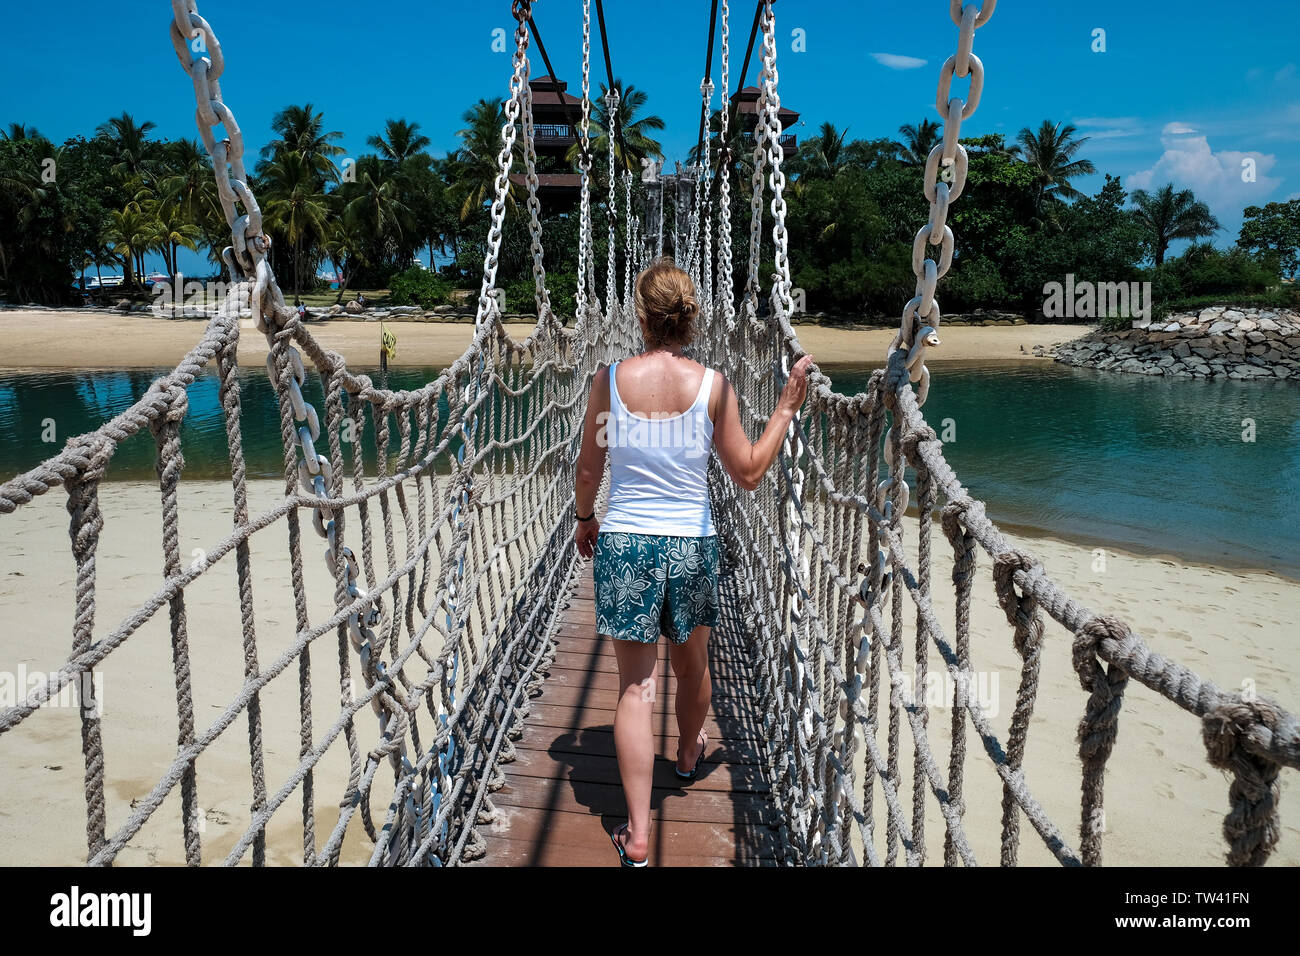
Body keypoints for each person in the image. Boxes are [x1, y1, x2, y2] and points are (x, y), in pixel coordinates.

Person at [572, 257, 813, 866]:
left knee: (635, 687)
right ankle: (685, 756)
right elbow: (750, 471)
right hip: (689, 544)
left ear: (641, 315)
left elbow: (588, 468)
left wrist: (584, 518)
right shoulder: (715, 385)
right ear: (692, 317)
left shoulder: (608, 379)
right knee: (692, 665)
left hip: (624, 541)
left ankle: (639, 834)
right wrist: (785, 408)